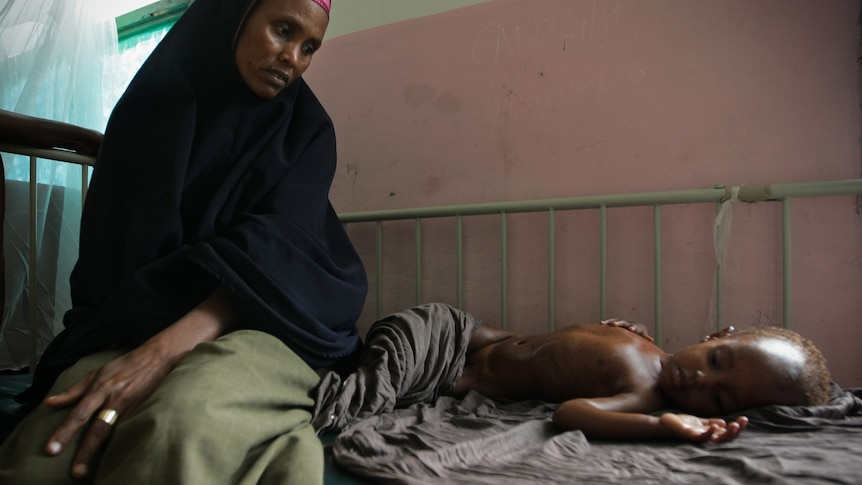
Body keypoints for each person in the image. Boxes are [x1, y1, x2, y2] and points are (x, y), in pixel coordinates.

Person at [0, 0, 366, 483]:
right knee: (48, 448)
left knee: (183, 420)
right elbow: (115, 262)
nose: (293, 58)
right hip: (133, 321)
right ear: (234, 13)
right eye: (283, 30)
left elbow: (277, 254)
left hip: (272, 319)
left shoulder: (307, 130)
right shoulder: (150, 110)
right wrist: (136, 348)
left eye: (309, 48)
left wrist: (162, 353)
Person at [311, 303, 831, 444]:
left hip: (448, 377)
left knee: (367, 391)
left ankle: (321, 395)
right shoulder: (646, 343)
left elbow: (570, 411)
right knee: (391, 348)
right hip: (456, 331)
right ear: (717, 335)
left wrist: (661, 426)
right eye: (716, 363)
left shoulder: (645, 396)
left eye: (720, 400)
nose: (701, 382)